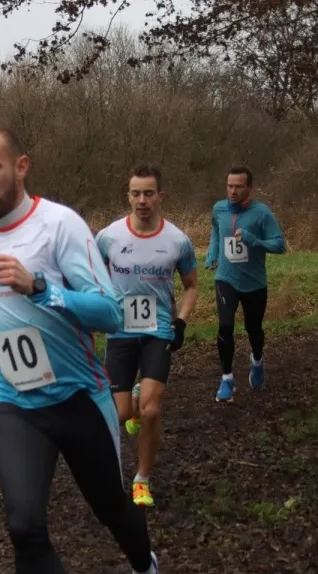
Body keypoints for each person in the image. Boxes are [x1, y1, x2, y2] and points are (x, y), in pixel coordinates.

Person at [0, 127, 164, 574]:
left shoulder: (60, 224)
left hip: (78, 398)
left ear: (21, 166)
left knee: (110, 508)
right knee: (24, 527)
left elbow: (110, 312)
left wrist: (42, 288)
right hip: (15, 401)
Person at [94, 165, 198, 508]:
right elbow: (90, 276)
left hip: (159, 332)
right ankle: (134, 401)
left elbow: (192, 286)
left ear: (160, 197)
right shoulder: (109, 237)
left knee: (153, 410)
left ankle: (141, 479)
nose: (142, 200)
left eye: (149, 193)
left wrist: (181, 322)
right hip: (120, 333)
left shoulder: (177, 241)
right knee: (121, 414)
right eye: (136, 193)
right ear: (128, 196)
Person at [204, 165, 287, 402]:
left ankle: (257, 361)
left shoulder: (262, 213)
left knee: (254, 329)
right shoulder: (219, 209)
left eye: (238, 186)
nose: (233, 191)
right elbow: (215, 230)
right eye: (230, 186)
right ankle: (227, 378)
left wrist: (253, 240)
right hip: (226, 279)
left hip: (254, 283)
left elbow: (279, 245)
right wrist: (213, 253)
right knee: (225, 326)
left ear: (249, 188)